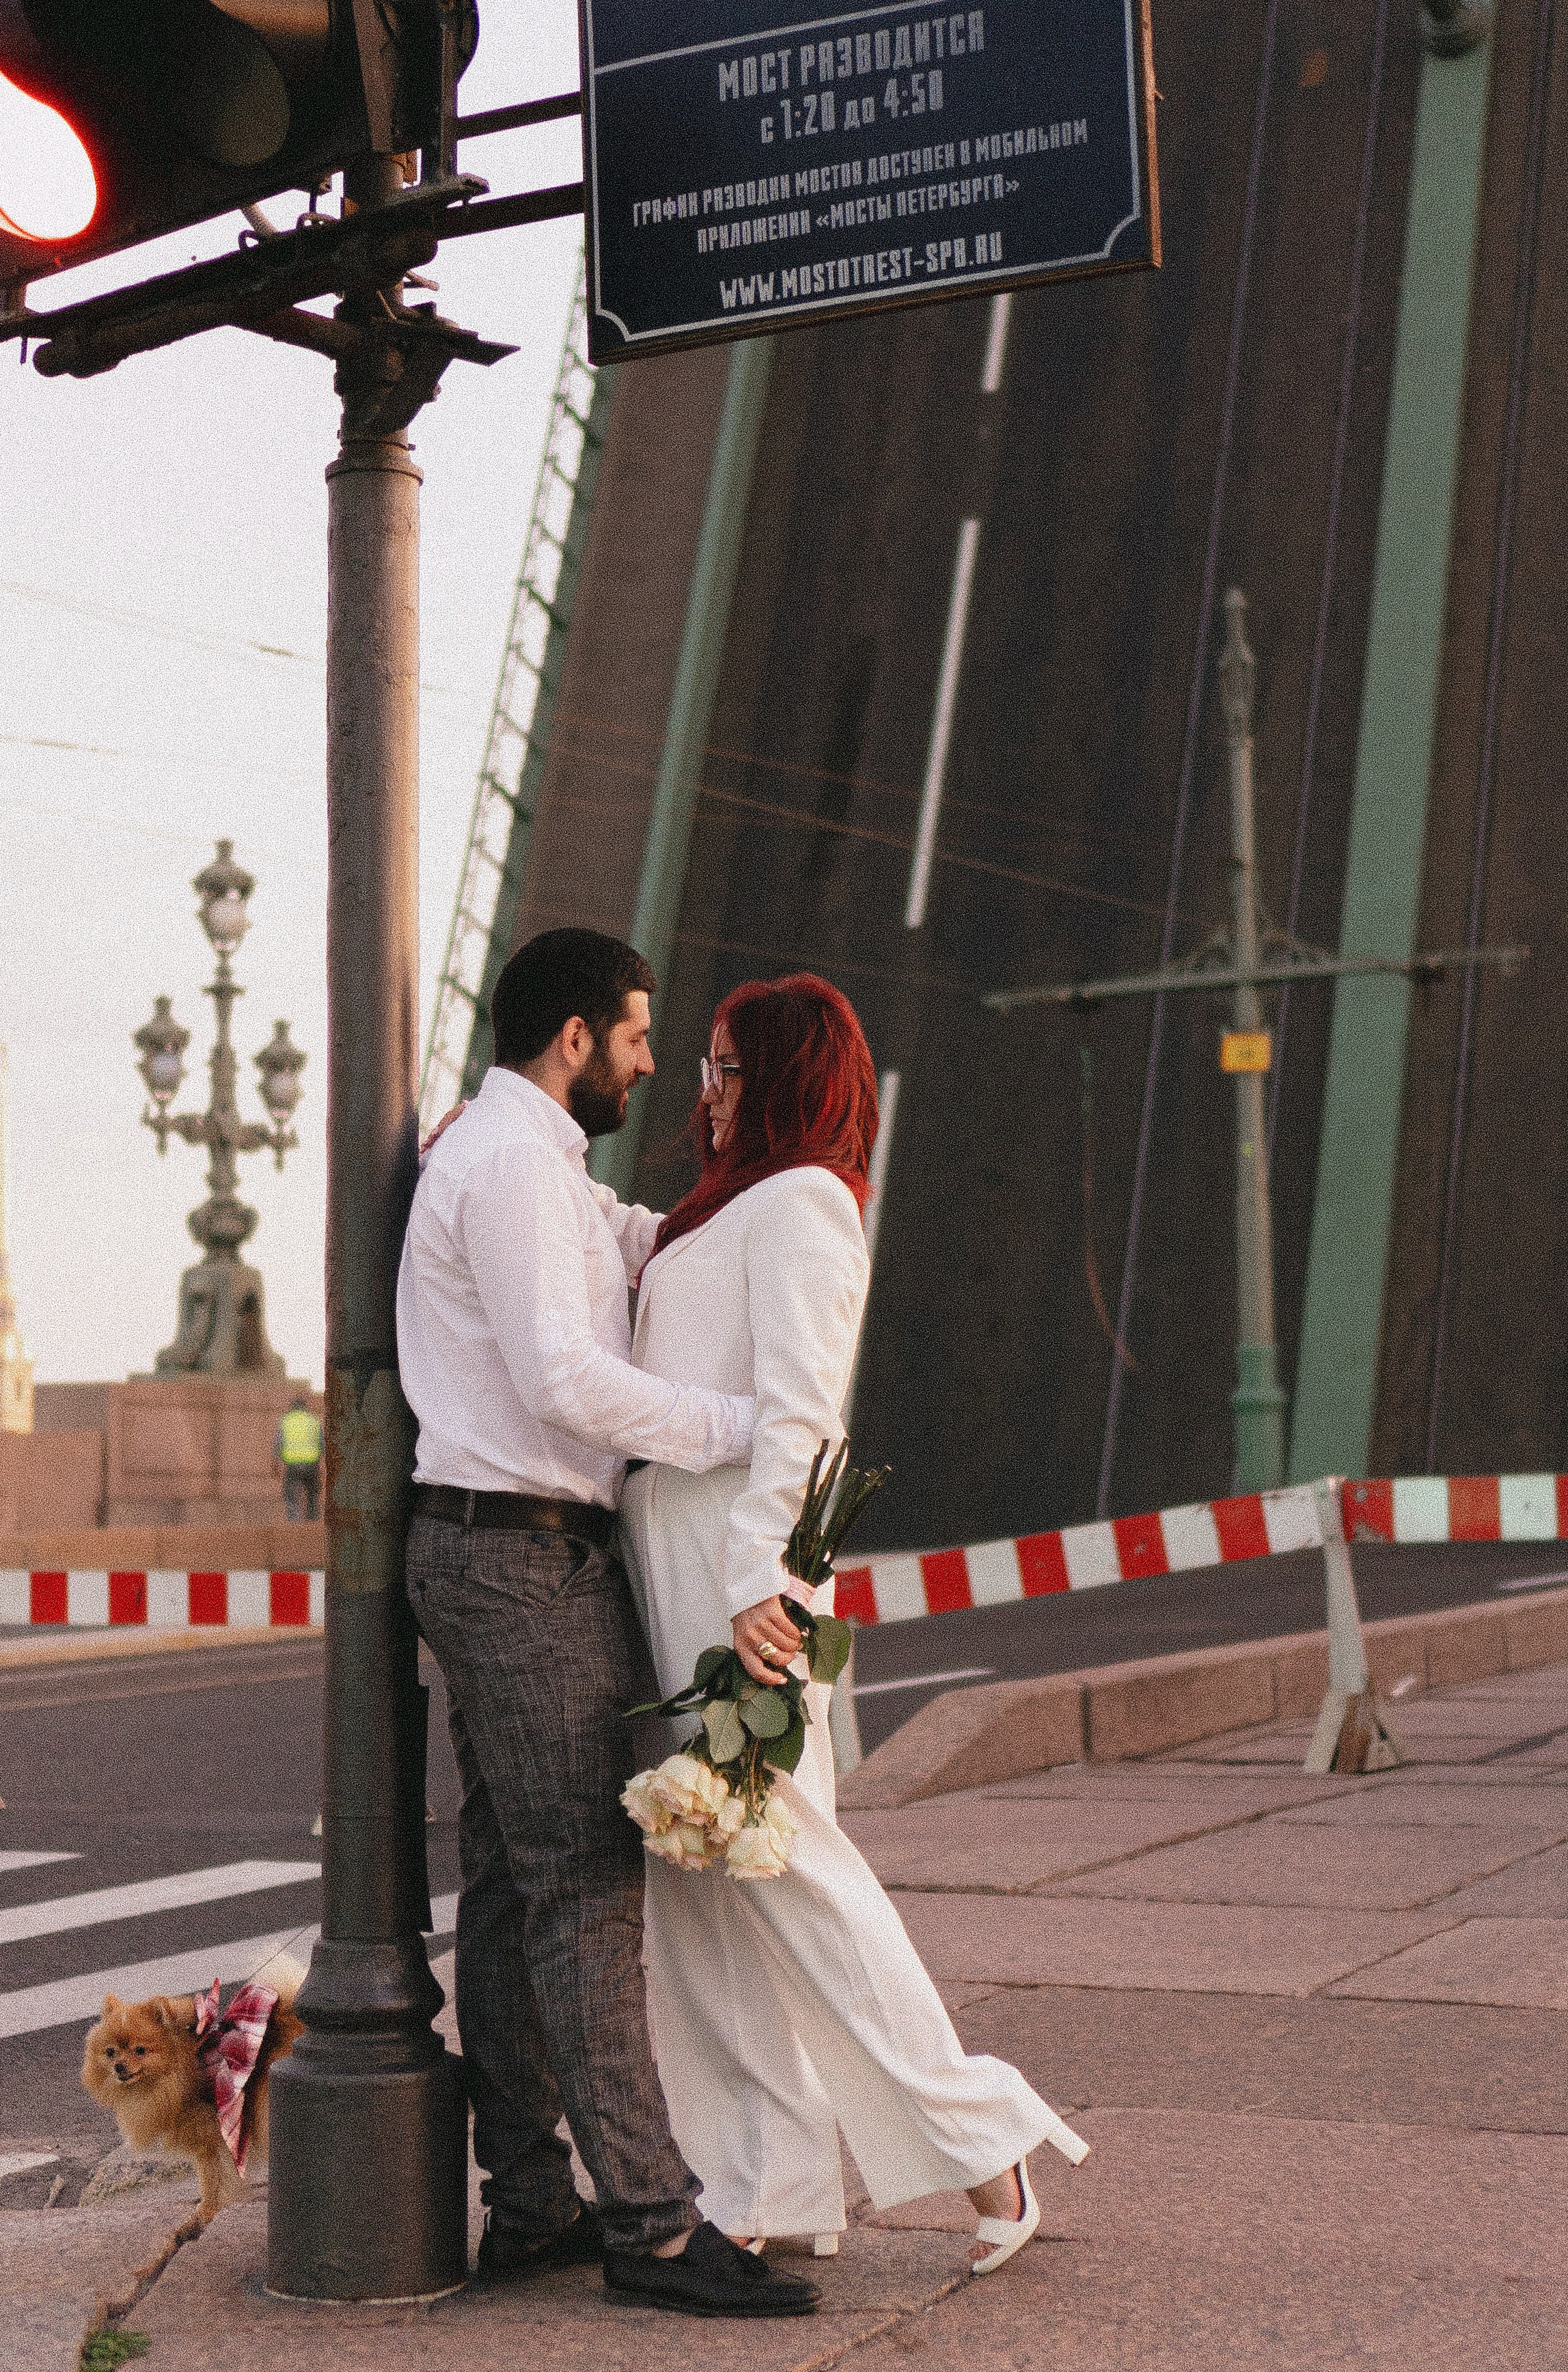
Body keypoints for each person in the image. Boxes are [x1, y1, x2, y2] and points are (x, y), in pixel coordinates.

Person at [619, 973, 1087, 2274]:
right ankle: (764, 2182)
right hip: (680, 1561)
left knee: (791, 1865)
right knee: (703, 1878)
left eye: (724, 1070)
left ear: (780, 1077)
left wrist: (763, 1571)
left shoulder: (806, 1203)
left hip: (739, 1574)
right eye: (702, 1069)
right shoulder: (714, 1214)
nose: (703, 1095)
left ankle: (983, 2138)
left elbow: (806, 1410)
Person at [398, 927, 818, 2319]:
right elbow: (563, 1378)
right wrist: (742, 1428)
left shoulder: (540, 1166)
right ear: (574, 1037)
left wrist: (735, 1200)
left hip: (506, 1551)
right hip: (517, 1558)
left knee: (522, 1891)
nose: (649, 1061)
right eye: (638, 1038)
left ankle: (529, 2203)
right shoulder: (511, 1162)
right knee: (586, 1881)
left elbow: (643, 1251)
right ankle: (648, 2224)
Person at [277, 1394, 322, 1522]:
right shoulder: (314, 1420)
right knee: (313, 1494)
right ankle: (312, 1522)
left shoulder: (286, 1421)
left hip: (292, 1464)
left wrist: (275, 1462)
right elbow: (322, 1443)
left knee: (292, 1495)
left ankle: (294, 1523)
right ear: (305, 1407)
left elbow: (278, 1442)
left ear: (293, 1407)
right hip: (312, 1464)